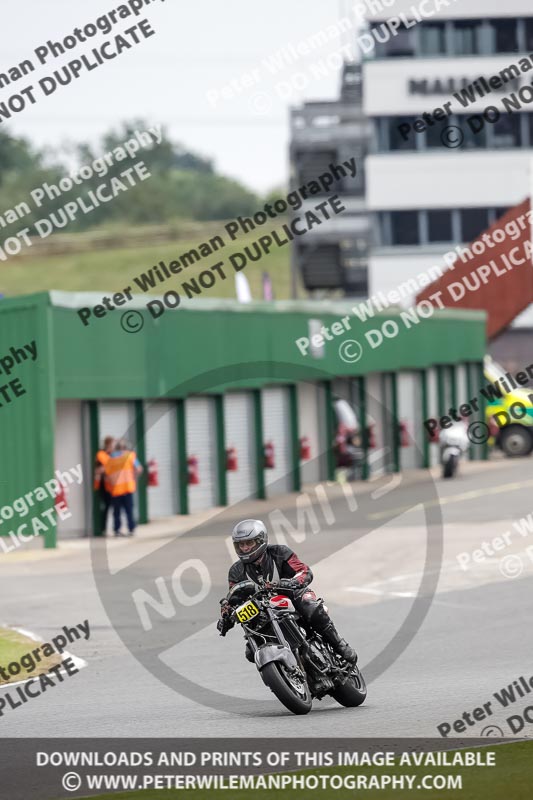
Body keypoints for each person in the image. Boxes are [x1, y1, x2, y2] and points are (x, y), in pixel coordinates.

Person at [217, 519, 357, 667]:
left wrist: (291, 582)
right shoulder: (235, 571)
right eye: (240, 544)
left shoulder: (280, 552)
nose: (244, 548)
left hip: (292, 595)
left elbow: (303, 571)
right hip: (262, 609)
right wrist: (226, 615)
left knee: (310, 606)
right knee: (250, 652)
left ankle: (339, 645)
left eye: (249, 543)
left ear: (261, 540)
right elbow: (233, 596)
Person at [104, 439, 143, 537]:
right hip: (127, 487)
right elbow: (139, 469)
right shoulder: (130, 455)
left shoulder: (110, 459)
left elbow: (107, 476)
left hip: (116, 489)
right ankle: (131, 529)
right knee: (129, 510)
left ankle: (117, 530)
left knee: (116, 512)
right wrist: (133, 477)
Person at [93, 436, 115, 534]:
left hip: (112, 485)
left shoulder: (112, 455)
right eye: (112, 444)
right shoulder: (101, 454)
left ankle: (111, 528)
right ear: (108, 444)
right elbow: (99, 469)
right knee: (105, 507)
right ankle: (102, 528)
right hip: (103, 485)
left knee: (111, 507)